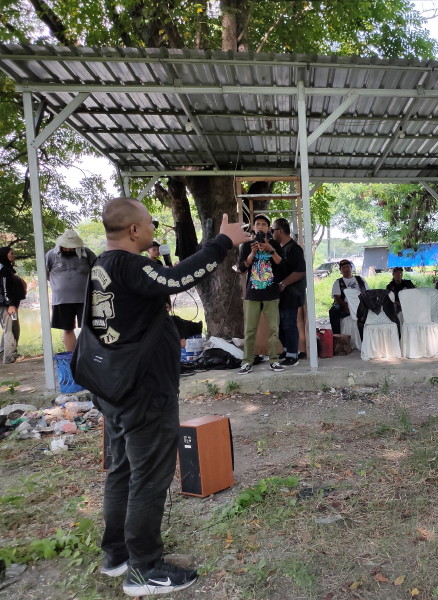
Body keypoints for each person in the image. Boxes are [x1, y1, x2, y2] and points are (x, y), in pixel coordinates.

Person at [88, 197, 249, 596]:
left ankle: (117, 554)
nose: (153, 230)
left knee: (123, 469)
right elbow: (177, 278)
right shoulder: (129, 265)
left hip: (116, 386)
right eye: (150, 224)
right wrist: (222, 242)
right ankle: (144, 570)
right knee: (148, 476)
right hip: (144, 391)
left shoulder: (100, 266)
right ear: (134, 230)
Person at [237, 214, 284, 375]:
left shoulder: (274, 244)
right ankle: (247, 362)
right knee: (250, 330)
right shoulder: (246, 246)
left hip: (271, 293)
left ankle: (274, 360)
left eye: (264, 224)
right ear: (253, 228)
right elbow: (241, 269)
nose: (261, 227)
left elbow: (282, 265)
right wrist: (252, 254)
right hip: (252, 294)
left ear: (269, 228)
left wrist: (271, 250)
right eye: (258, 224)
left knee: (273, 329)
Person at [45, 230, 97, 352]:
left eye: (72, 247)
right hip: (61, 300)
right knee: (67, 329)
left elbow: (97, 270)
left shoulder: (87, 254)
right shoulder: (51, 255)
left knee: (87, 328)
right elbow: (45, 274)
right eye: (66, 247)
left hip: (85, 299)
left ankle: (85, 354)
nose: (69, 249)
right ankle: (71, 355)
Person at [271, 217, 306, 368]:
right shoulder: (279, 249)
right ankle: (286, 351)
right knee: (281, 325)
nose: (271, 233)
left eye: (272, 230)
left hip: (292, 293)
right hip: (281, 294)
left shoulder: (294, 249)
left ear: (279, 231)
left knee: (289, 324)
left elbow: (300, 271)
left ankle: (293, 355)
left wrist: (283, 284)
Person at [1, 247, 26, 364]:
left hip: (10, 304)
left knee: (11, 329)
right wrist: (10, 304)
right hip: (7, 305)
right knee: (10, 330)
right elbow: (4, 289)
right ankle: (9, 357)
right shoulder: (4, 270)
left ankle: (3, 354)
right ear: (4, 255)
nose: (13, 255)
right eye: (11, 253)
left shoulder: (8, 269)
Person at [329, 259, 368, 334]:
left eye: (348, 267)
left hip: (360, 304)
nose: (346, 269)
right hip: (346, 305)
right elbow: (337, 297)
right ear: (340, 271)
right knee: (334, 310)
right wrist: (345, 305)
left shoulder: (360, 279)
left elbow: (367, 292)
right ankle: (337, 334)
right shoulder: (338, 282)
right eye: (343, 268)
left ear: (351, 268)